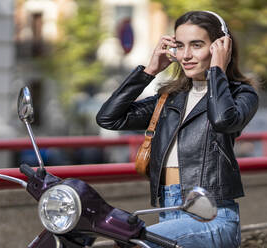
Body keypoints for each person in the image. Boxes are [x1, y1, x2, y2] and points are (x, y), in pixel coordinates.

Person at [96, 10, 258, 248]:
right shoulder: (170, 99)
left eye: (196, 45)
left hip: (212, 217)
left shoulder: (240, 94)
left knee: (133, 242)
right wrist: (149, 71)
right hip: (169, 209)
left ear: (220, 47)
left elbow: (223, 120)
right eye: (180, 46)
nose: (186, 55)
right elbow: (109, 118)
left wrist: (217, 71)